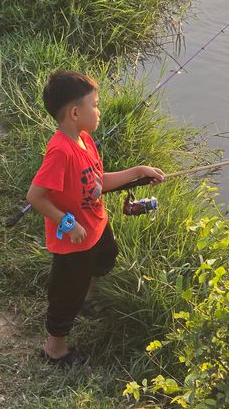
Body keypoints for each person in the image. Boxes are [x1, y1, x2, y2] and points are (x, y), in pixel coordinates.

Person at [26, 70, 164, 368]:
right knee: (65, 296)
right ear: (76, 113)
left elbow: (97, 182)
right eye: (95, 104)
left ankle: (87, 294)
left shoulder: (84, 140)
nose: (99, 110)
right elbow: (35, 197)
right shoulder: (60, 152)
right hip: (74, 243)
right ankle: (55, 349)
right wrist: (67, 222)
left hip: (96, 226)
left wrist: (138, 171)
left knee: (106, 258)